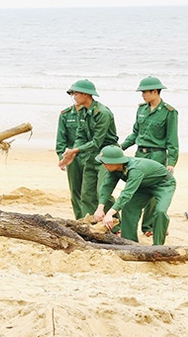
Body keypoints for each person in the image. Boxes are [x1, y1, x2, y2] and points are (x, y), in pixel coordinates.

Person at [120, 76, 179, 237]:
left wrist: (172, 162)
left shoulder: (169, 112)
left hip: (158, 155)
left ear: (155, 91)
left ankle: (149, 226)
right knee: (135, 190)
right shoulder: (141, 109)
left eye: (145, 92)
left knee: (154, 192)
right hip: (140, 154)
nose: (142, 95)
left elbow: (172, 140)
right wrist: (121, 147)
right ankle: (130, 233)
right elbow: (135, 134)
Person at [58, 79, 118, 218]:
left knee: (102, 192)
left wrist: (75, 151)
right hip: (91, 155)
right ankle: (89, 223)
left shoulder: (102, 113)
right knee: (86, 194)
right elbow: (80, 136)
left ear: (86, 94)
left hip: (107, 155)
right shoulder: (82, 111)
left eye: (76, 94)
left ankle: (115, 226)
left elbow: (97, 141)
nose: (74, 97)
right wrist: (71, 153)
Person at [93, 145, 174, 246]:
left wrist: (109, 214)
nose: (103, 165)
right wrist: (100, 208)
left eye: (105, 162)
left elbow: (127, 193)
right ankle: (129, 243)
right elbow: (106, 187)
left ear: (115, 161)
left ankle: (158, 246)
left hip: (163, 184)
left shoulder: (135, 169)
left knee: (160, 212)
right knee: (128, 207)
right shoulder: (114, 170)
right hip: (143, 186)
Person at [56, 95, 85, 218]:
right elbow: (61, 139)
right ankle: (81, 219)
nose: (74, 97)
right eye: (72, 94)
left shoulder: (93, 113)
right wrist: (61, 157)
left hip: (89, 155)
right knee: (75, 191)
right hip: (72, 158)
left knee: (91, 191)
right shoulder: (65, 114)